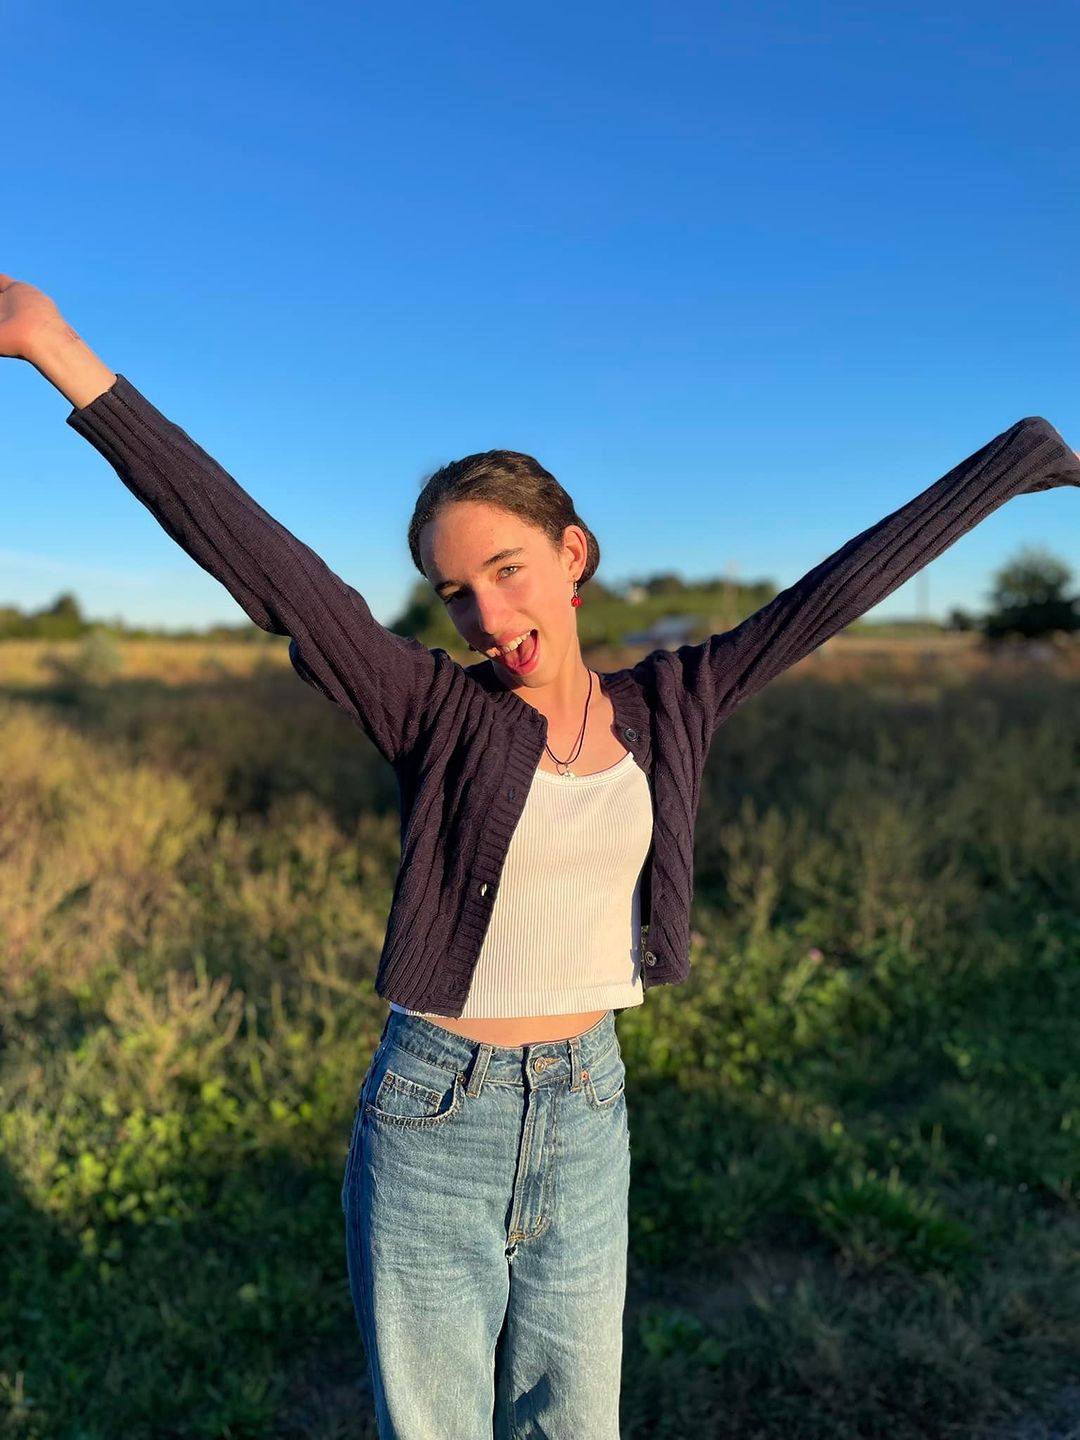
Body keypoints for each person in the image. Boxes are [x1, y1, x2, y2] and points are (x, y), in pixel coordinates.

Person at [3, 272, 1078, 1440]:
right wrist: (62, 354)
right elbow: (267, 568)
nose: (484, 614)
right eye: (454, 593)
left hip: (588, 1105)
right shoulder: (435, 712)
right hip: (434, 1115)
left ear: (574, 555)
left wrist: (1016, 461)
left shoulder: (676, 700)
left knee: (576, 1425)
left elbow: (837, 591)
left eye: (506, 569)